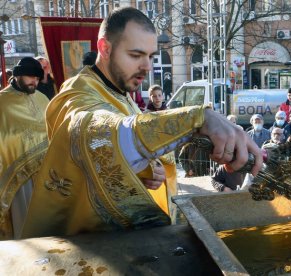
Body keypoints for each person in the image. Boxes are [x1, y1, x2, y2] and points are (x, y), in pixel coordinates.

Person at [20, 7, 262, 239]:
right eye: (135, 55)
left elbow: (130, 143)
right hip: (83, 246)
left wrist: (150, 169)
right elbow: (93, 131)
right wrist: (197, 117)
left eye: (150, 56)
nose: (147, 66)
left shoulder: (121, 93)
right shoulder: (77, 93)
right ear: (104, 48)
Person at [0, 57, 49, 239]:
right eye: (30, 77)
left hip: (45, 172)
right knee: (24, 226)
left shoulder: (42, 98)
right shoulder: (2, 102)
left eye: (37, 78)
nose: (34, 82)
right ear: (18, 75)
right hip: (18, 175)